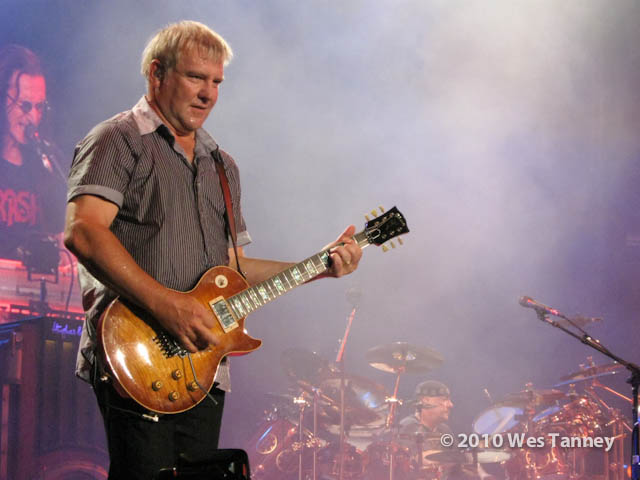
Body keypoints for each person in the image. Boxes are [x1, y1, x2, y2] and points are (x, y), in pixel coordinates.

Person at [63, 20, 363, 479]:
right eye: (195, 77)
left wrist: (319, 266)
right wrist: (167, 305)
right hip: (137, 355)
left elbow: (231, 268)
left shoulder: (222, 166)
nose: (208, 93)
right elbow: (83, 232)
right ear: (157, 73)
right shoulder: (117, 139)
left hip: (204, 367)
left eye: (217, 82)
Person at [0, 44, 65, 265]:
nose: (33, 117)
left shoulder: (48, 163)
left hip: (36, 284)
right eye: (25, 106)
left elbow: (60, 234)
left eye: (39, 107)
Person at [399, 381, 497, 480]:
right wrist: (457, 456)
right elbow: (419, 459)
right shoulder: (408, 426)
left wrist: (483, 476)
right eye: (445, 400)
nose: (451, 405)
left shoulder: (444, 429)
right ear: (426, 401)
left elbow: (460, 464)